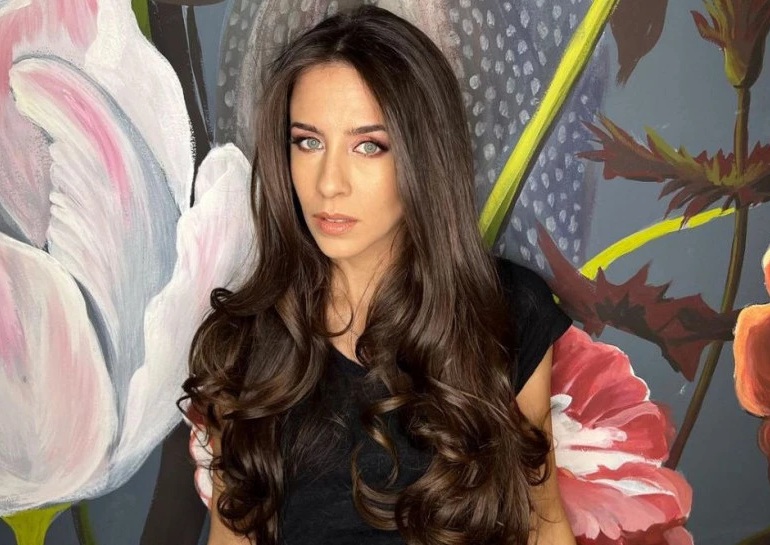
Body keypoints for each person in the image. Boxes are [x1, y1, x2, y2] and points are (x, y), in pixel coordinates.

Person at [180, 5, 575, 545]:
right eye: (308, 141)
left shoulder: (506, 313)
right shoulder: (246, 346)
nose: (329, 183)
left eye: (368, 145)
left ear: (422, 154)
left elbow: (543, 523)